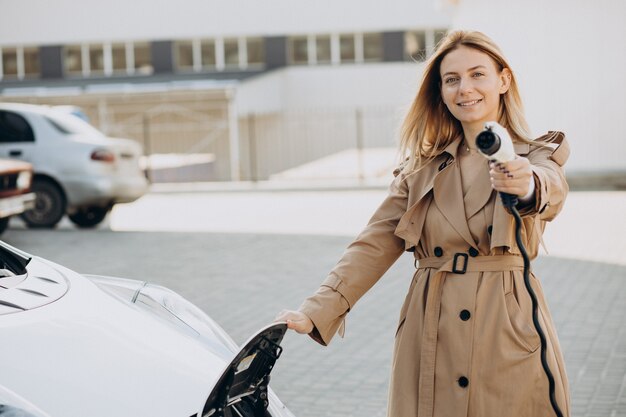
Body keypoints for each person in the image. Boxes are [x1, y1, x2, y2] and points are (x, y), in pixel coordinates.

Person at [275, 30, 570, 417]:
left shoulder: (534, 155)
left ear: (503, 79)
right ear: (441, 91)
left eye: (477, 74)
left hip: (505, 327)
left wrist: (526, 182)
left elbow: (549, 188)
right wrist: (318, 308)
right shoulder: (420, 171)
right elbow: (374, 243)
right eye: (452, 79)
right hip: (430, 327)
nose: (465, 88)